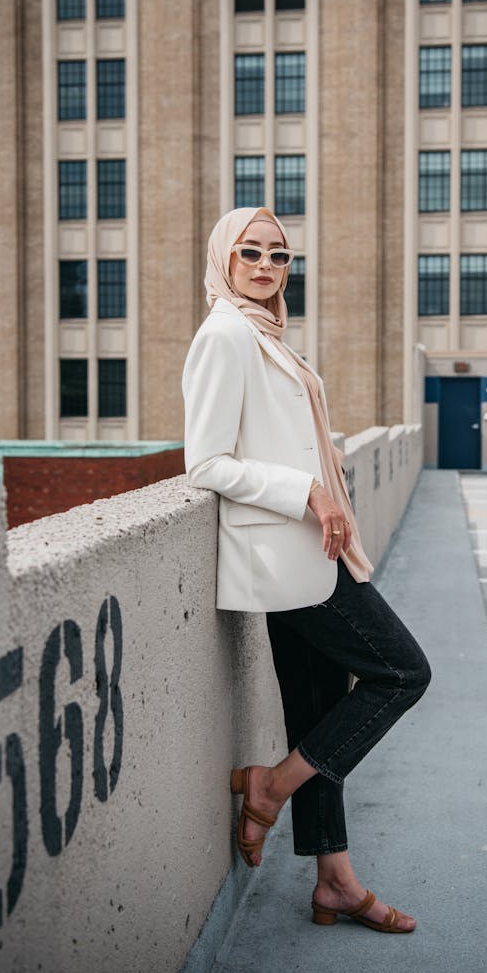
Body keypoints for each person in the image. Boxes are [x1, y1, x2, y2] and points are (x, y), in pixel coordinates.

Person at [181, 206, 431, 934]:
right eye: (250, 252)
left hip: (307, 552)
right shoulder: (225, 335)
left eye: (279, 255)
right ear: (224, 259)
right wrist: (309, 489)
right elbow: (205, 462)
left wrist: (323, 468)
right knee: (402, 673)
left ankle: (335, 881)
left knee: (320, 710)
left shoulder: (263, 334)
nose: (265, 265)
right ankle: (273, 784)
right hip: (286, 552)